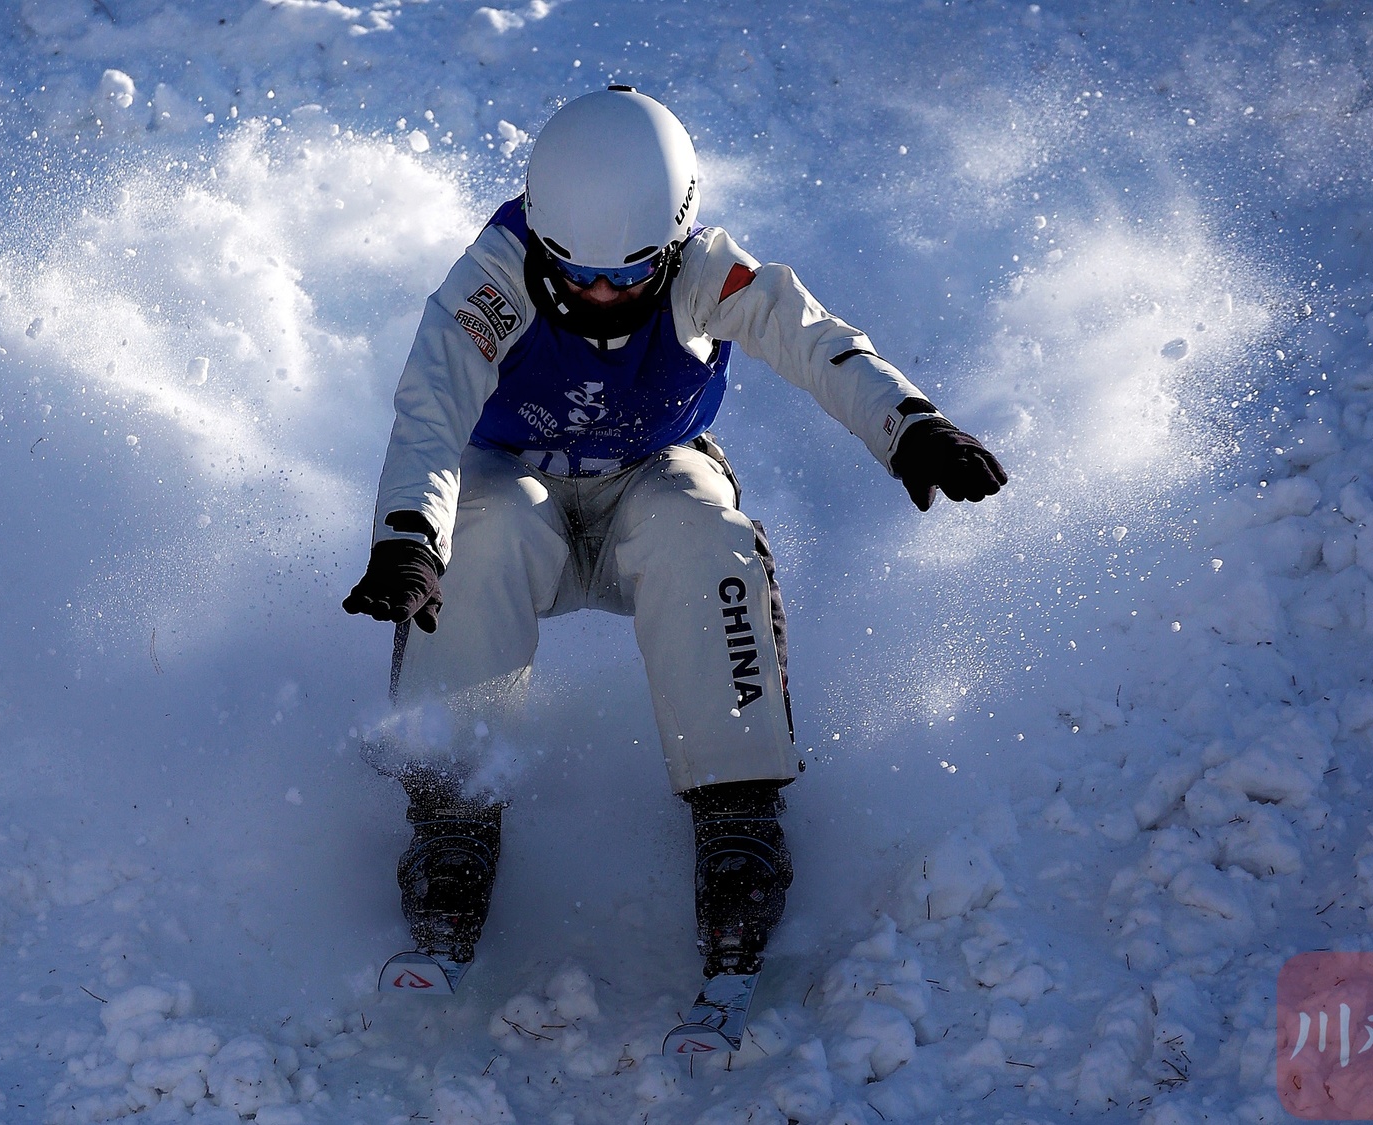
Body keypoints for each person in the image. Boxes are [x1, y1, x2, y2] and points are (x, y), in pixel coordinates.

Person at [343, 87, 1006, 980]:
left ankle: (737, 809)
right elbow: (430, 417)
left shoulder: (704, 272)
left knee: (703, 528)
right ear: (541, 236)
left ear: (675, 239)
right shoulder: (489, 285)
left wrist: (910, 425)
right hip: (513, 480)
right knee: (480, 530)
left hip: (650, 475)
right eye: (577, 274)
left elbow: (815, 340)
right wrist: (407, 539)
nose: (602, 293)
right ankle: (451, 814)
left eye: (628, 275)